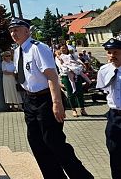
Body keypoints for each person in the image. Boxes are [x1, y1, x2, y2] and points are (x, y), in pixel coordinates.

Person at [10, 18, 93, 179]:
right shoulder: (18, 51)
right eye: (11, 30)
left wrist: (57, 103)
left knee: (54, 142)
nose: (13, 33)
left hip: (45, 99)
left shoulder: (38, 48)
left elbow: (51, 76)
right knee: (36, 143)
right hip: (30, 100)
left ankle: (82, 176)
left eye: (17, 29)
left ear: (27, 31)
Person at [95, 38, 121, 179]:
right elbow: (103, 90)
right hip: (114, 116)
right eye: (109, 52)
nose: (112, 55)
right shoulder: (104, 70)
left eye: (116, 52)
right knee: (114, 151)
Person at [55, 44, 88, 117]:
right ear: (59, 49)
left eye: (65, 48)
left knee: (79, 92)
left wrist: (82, 64)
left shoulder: (72, 55)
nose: (64, 50)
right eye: (62, 48)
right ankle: (74, 110)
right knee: (71, 93)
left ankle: (82, 109)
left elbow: (78, 60)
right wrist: (69, 68)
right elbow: (60, 66)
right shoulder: (58, 58)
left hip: (76, 75)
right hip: (66, 76)